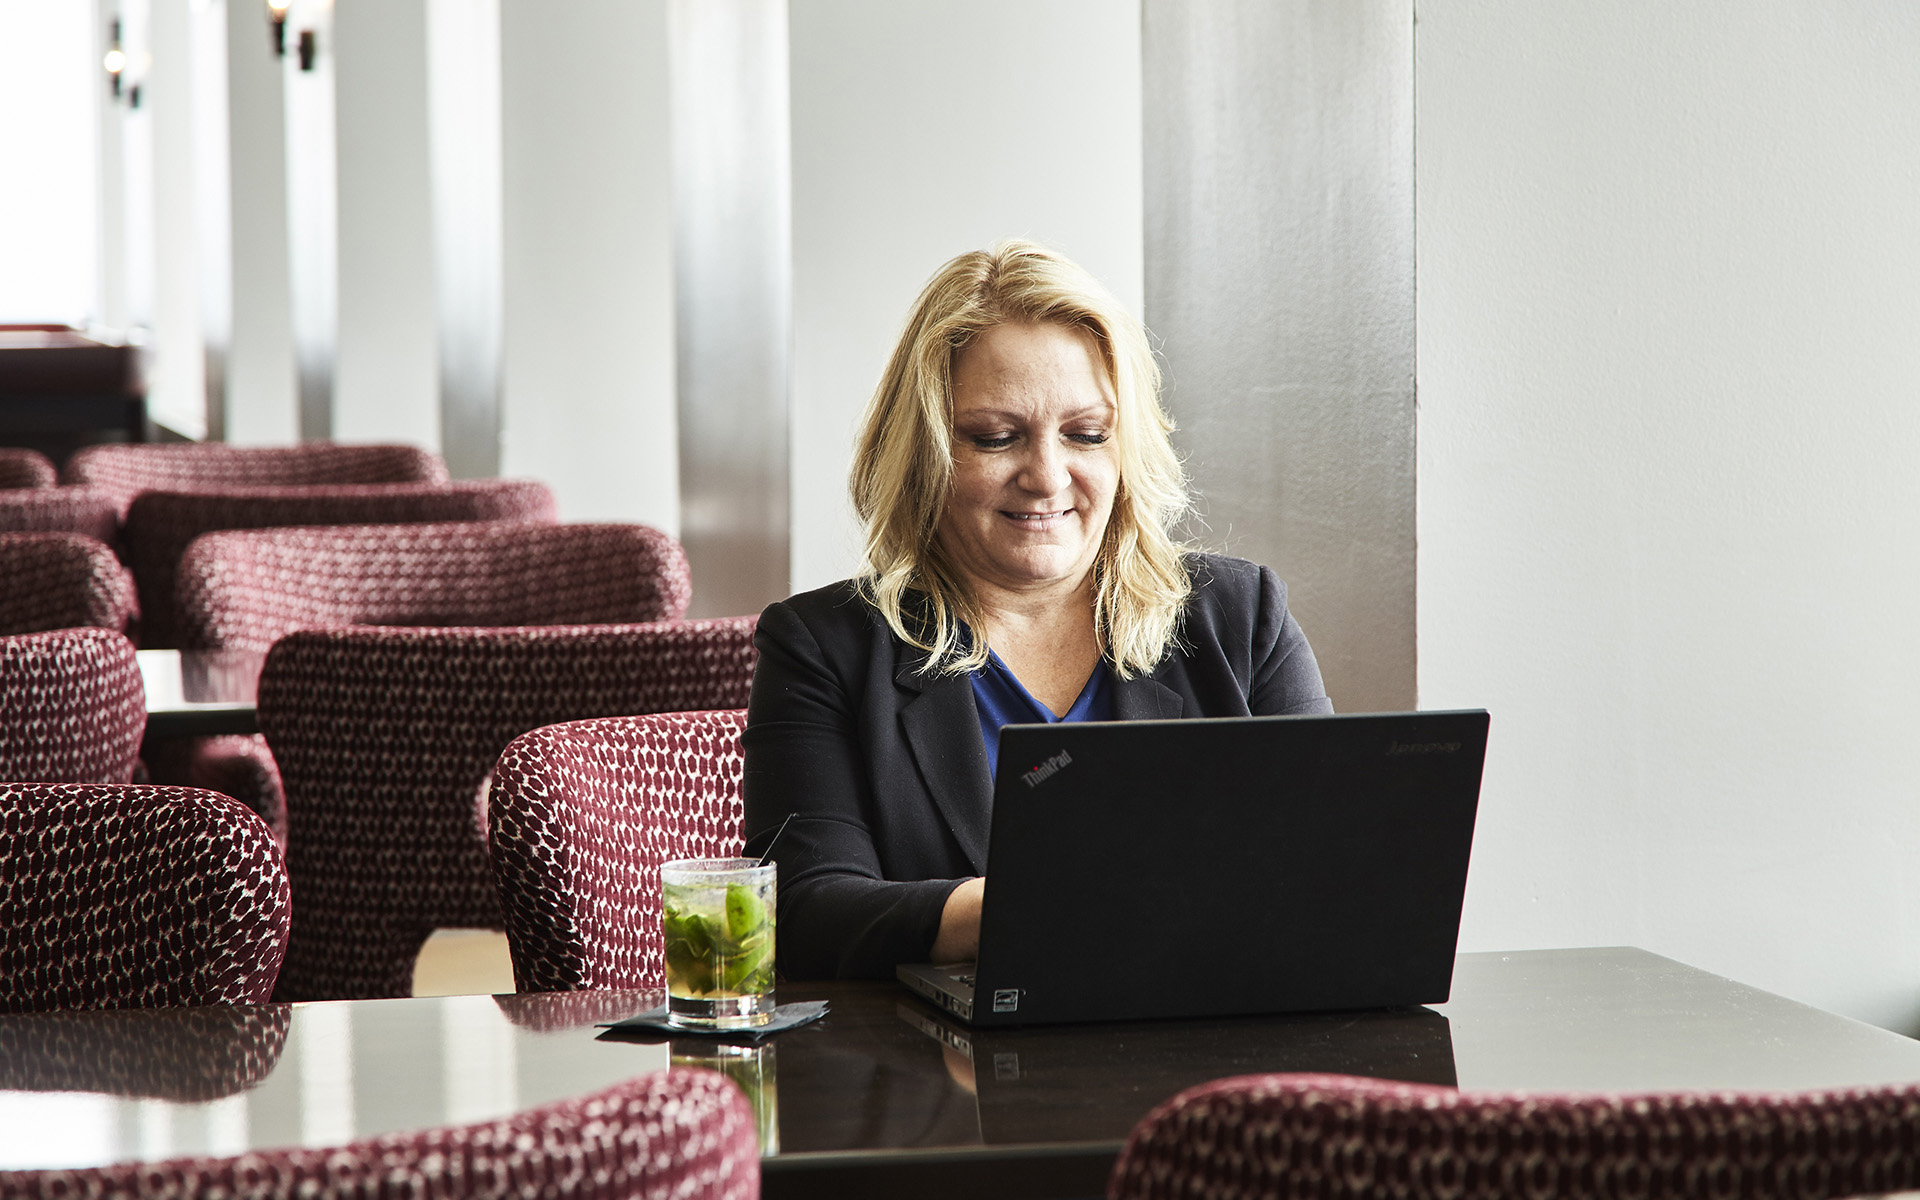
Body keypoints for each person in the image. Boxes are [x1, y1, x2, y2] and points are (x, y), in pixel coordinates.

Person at [742, 240, 1331, 980]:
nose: (1048, 477)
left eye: (1087, 435)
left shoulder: (1243, 618)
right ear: (924, 452)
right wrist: (1028, 906)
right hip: (957, 1051)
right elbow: (804, 907)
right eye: (996, 438)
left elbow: (1333, 865)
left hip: (1214, 1037)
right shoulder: (823, 647)